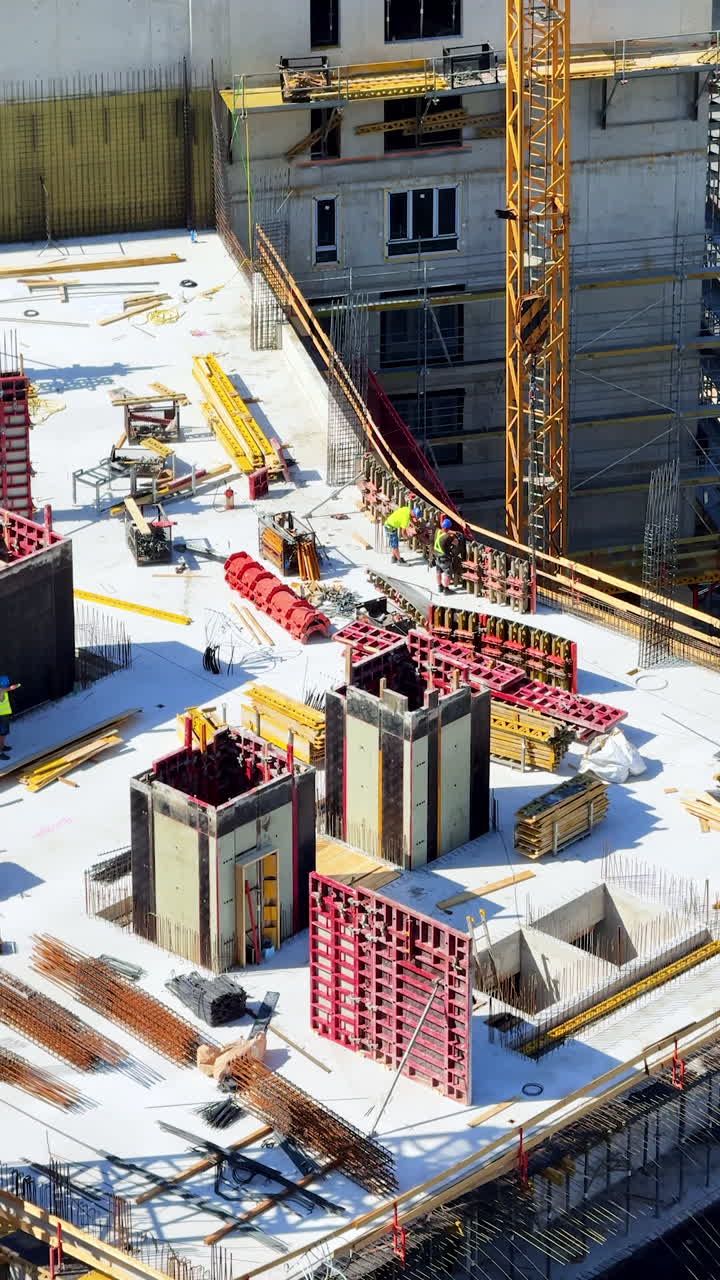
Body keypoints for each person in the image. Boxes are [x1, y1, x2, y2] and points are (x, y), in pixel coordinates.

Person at [384, 496, 419, 565]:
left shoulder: (407, 509)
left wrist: (414, 523)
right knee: (395, 544)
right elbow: (403, 532)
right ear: (413, 514)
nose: (414, 518)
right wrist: (406, 537)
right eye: (415, 516)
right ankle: (399, 560)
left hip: (390, 524)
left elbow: (410, 518)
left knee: (394, 542)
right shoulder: (405, 519)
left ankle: (394, 557)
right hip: (390, 527)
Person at [434, 517, 456, 594]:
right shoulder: (448, 537)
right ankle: (446, 589)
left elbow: (445, 532)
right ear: (448, 528)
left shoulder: (437, 531)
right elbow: (455, 543)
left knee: (438, 571)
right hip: (444, 558)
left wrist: (450, 532)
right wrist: (453, 536)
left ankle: (440, 586)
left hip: (436, 556)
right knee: (447, 573)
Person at [0, 675, 21, 757]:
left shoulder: (3, 683)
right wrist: (10, 688)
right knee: (1, 733)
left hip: (4, 713)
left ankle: (2, 746)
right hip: (1, 714)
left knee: (3, 733)